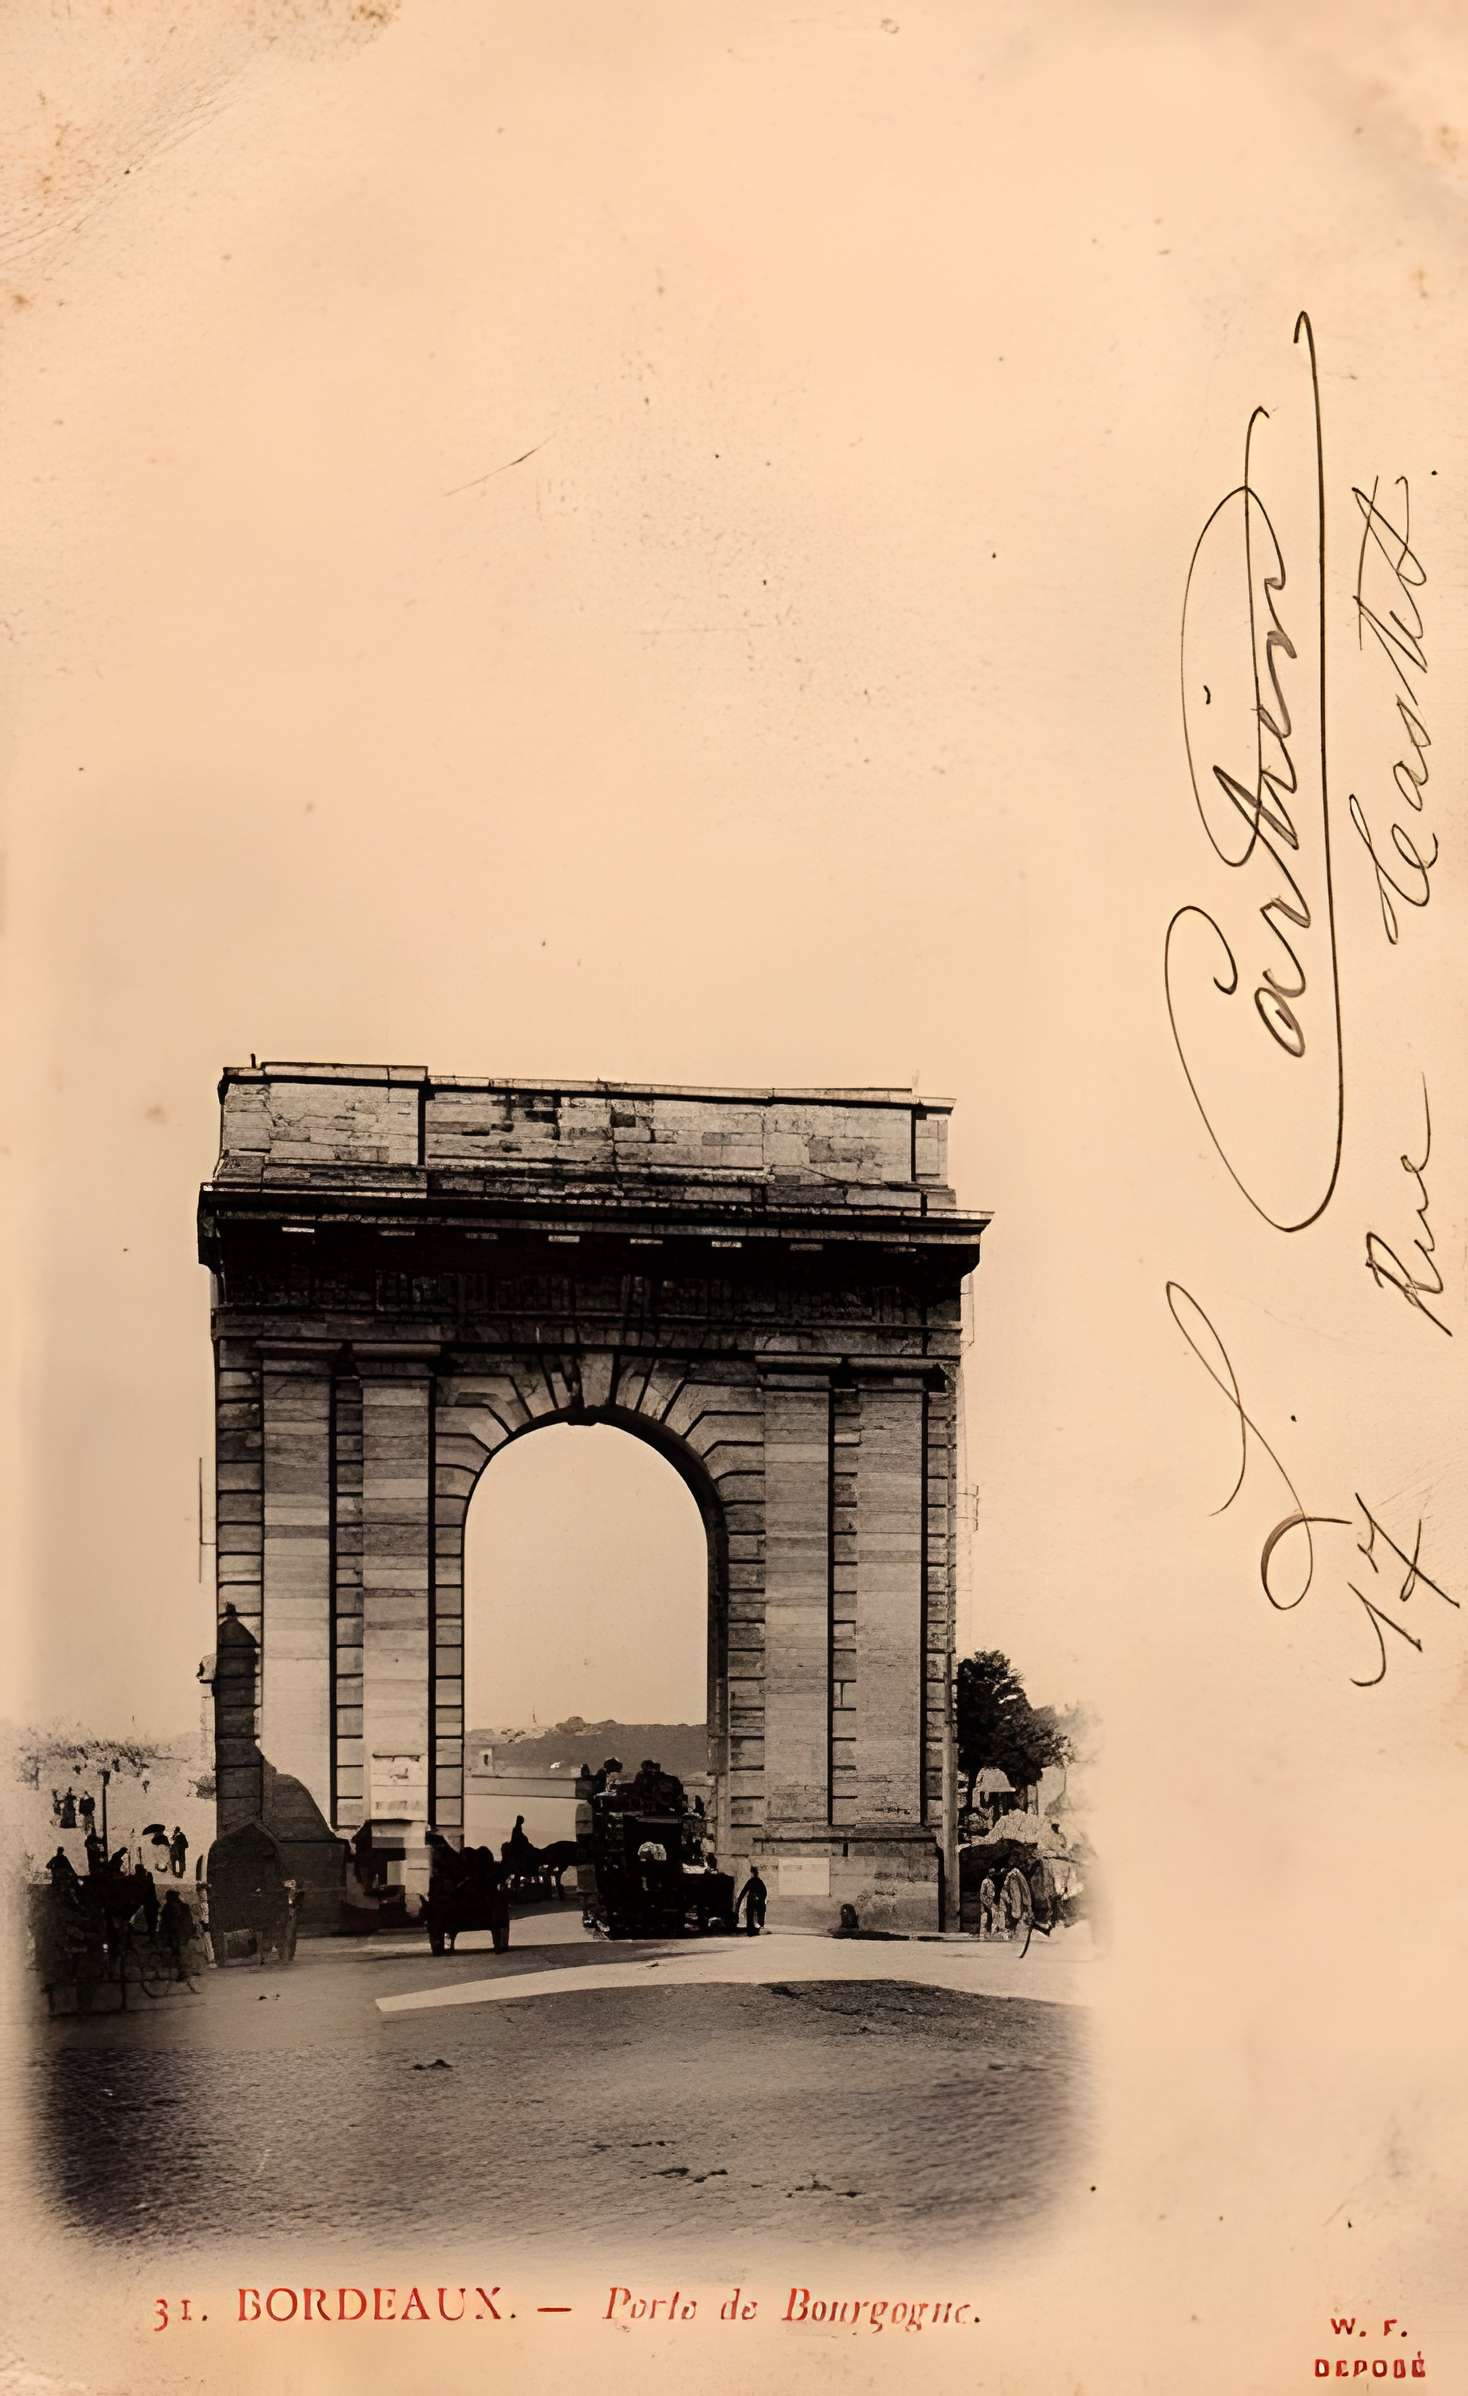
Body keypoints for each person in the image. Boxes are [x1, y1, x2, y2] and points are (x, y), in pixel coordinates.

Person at [734, 1866, 767, 1936]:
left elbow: (744, 1891)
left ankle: (751, 1929)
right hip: (757, 1900)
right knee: (757, 1914)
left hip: (752, 1900)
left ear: (752, 1873)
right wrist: (761, 1899)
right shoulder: (759, 1881)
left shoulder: (752, 1881)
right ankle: (756, 1928)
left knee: (750, 1914)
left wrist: (739, 1900)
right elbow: (764, 1892)